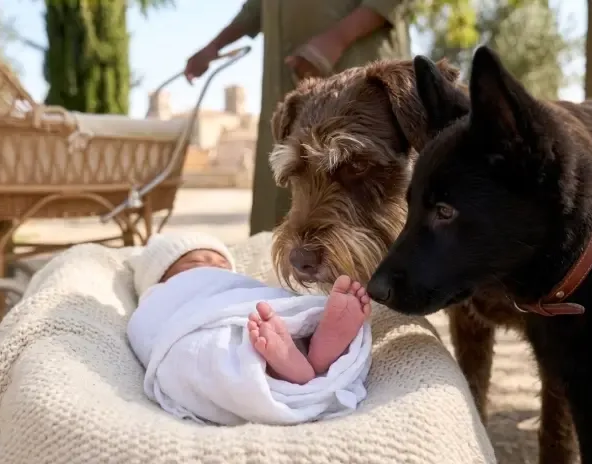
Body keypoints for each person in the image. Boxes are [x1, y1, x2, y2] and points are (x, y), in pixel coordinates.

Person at [184, 1, 411, 235]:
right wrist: (213, 47)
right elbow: (256, 8)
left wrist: (338, 38)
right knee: (282, 218)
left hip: (358, 72)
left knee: (360, 198)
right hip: (286, 92)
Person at [127, 233, 373, 425]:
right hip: (197, 322)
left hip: (248, 311)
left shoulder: (235, 285)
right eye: (195, 263)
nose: (213, 268)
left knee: (272, 315)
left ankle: (305, 348)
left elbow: (249, 293)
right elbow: (146, 328)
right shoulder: (158, 297)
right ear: (159, 278)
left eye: (223, 265)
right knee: (201, 349)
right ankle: (297, 362)